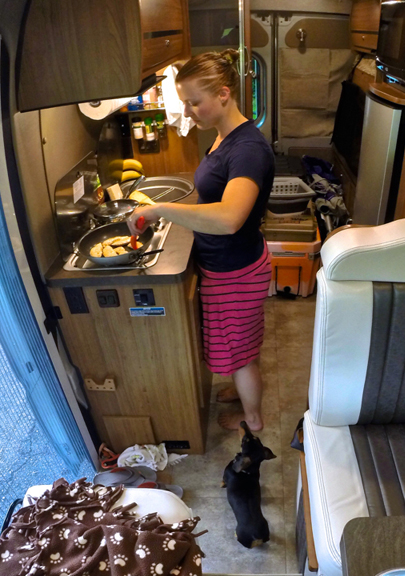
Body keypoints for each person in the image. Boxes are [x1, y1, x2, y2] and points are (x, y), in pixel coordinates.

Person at [127, 49, 274, 431]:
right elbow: (215, 197)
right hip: (229, 264)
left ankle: (253, 418)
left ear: (223, 94)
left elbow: (228, 218)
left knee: (240, 353)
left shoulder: (248, 150)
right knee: (237, 342)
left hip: (236, 270)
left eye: (195, 102)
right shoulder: (225, 137)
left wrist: (159, 211)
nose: (189, 112)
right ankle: (238, 388)